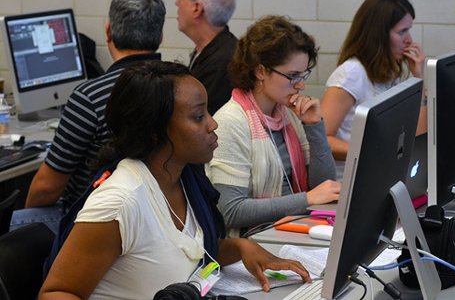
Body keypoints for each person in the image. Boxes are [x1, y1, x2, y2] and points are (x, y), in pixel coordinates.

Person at [39, 61, 311, 299]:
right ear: (155, 130)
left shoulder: (182, 179)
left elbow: (185, 252)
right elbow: (56, 293)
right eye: (198, 116)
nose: (212, 124)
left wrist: (242, 246)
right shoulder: (120, 202)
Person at [10, 0, 166, 234]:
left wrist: (27, 234)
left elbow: (47, 188)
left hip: (93, 222)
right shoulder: (182, 86)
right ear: (160, 36)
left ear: (108, 32)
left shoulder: (89, 97)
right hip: (160, 216)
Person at [206, 15, 340, 238]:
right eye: (292, 76)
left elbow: (323, 185)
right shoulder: (231, 122)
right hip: (254, 242)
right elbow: (232, 210)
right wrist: (307, 199)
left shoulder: (289, 114)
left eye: (303, 75)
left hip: (293, 229)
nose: (301, 85)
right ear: (260, 71)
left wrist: (314, 126)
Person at [320, 0, 427, 182]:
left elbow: (419, 137)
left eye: (409, 30)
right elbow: (320, 140)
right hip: (348, 184)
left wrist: (419, 77)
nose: (409, 39)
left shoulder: (388, 73)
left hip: (379, 178)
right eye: (402, 31)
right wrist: (373, 153)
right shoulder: (352, 73)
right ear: (378, 35)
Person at [176, 0, 237, 116]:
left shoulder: (222, 64)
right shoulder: (211, 50)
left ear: (197, 8)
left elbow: (198, 121)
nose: (177, 2)